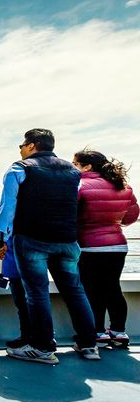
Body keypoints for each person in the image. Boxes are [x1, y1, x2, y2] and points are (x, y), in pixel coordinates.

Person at [0, 128, 99, 364]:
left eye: (22, 145)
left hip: (32, 240)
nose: (20, 150)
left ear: (31, 145)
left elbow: (7, 208)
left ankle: (42, 348)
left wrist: (1, 238)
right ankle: (89, 344)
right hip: (67, 240)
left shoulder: (18, 169)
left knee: (36, 293)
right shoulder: (73, 171)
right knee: (75, 291)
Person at [74, 149, 139, 348]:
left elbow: (71, 215)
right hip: (118, 246)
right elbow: (130, 217)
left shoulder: (79, 186)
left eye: (75, 164)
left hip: (88, 247)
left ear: (87, 166)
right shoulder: (123, 186)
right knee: (113, 288)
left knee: (92, 290)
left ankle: (98, 333)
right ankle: (119, 332)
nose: (72, 168)